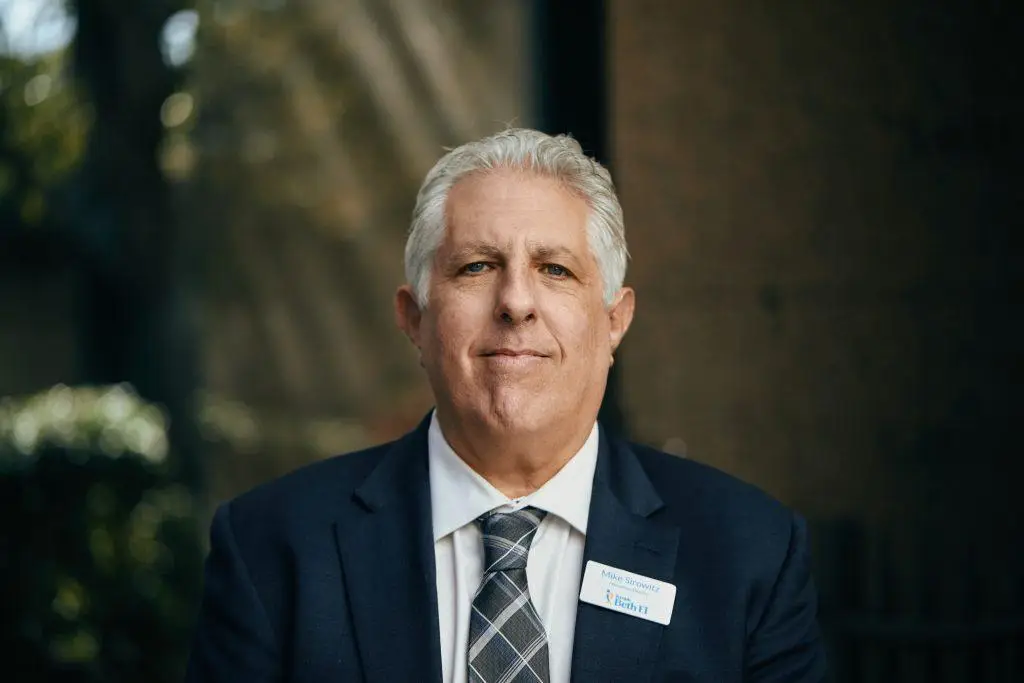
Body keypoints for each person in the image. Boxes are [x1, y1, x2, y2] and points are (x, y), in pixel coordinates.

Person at [185, 128, 827, 682]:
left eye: (555, 270)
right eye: (476, 267)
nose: (516, 302)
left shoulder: (750, 554)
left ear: (614, 322)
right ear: (414, 319)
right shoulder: (272, 548)